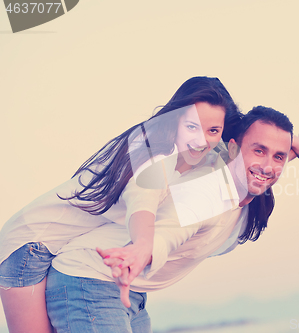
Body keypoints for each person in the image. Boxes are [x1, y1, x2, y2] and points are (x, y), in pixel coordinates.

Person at [44, 106, 299, 332]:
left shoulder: (239, 180)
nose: (269, 165)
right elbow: (170, 232)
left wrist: (297, 145)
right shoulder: (206, 196)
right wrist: (139, 252)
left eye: (279, 157)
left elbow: (260, 167)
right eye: (259, 150)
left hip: (129, 290)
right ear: (232, 148)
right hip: (93, 276)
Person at [0, 76, 243, 333]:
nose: (202, 140)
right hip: (30, 243)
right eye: (192, 127)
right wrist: (142, 245)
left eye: (213, 131)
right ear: (175, 122)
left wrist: (290, 147)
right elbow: (143, 205)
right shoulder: (156, 156)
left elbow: (252, 155)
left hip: (65, 249)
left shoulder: (196, 153)